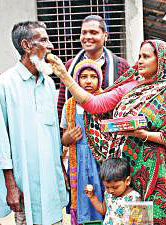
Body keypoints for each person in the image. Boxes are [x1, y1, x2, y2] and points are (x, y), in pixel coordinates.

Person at [50, 39, 166, 224]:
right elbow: (95, 104)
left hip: (159, 171)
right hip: (129, 168)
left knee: (156, 218)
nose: (140, 60)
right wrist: (65, 77)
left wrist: (145, 135)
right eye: (139, 56)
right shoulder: (131, 87)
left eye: (146, 56)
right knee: (130, 219)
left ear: (161, 60)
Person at [0, 21, 68, 225]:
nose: (50, 45)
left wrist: (62, 170)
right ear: (26, 45)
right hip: (24, 182)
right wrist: (10, 185)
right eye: (43, 40)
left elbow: (52, 135)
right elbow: (1, 140)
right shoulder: (4, 84)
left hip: (51, 180)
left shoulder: (49, 83)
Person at [57, 15, 129, 124]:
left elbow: (127, 104)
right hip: (77, 135)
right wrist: (64, 137)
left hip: (111, 135)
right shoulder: (70, 66)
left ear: (105, 36)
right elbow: (62, 104)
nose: (87, 37)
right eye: (84, 32)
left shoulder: (120, 65)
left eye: (93, 32)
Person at [60, 59, 104, 224]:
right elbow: (63, 140)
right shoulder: (69, 106)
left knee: (101, 192)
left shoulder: (105, 102)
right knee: (81, 197)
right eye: (83, 76)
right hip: (77, 162)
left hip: (100, 162)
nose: (88, 80)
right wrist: (68, 138)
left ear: (99, 80)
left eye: (93, 76)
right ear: (76, 79)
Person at [84, 158, 140, 225]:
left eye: (115, 187)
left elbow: (137, 221)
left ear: (127, 181)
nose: (110, 191)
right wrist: (92, 197)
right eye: (107, 187)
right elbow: (103, 210)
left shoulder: (134, 198)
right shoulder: (108, 194)